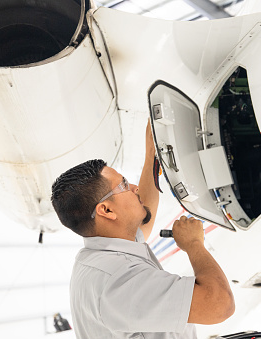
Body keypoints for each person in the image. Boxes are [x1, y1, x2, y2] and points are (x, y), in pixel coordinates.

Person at [50, 121, 235, 339]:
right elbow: (219, 305)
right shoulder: (119, 281)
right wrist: (194, 244)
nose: (134, 188)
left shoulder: (104, 253)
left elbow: (141, 217)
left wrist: (151, 157)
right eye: (123, 185)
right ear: (106, 210)